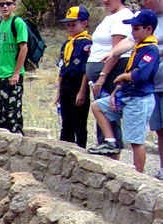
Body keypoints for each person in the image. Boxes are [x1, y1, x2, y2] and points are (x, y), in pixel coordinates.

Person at [88, 9, 160, 173]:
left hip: (139, 98)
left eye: (136, 29)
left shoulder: (150, 49)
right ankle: (110, 141)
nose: (132, 33)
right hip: (127, 94)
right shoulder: (138, 47)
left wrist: (123, 76)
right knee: (98, 107)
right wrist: (118, 88)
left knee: (136, 141)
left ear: (148, 29)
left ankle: (138, 174)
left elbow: (142, 75)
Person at [87, 0, 134, 148]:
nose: (105, 1)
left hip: (110, 72)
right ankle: (104, 147)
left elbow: (117, 51)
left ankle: (113, 152)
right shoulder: (110, 16)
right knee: (101, 114)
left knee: (109, 112)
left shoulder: (123, 16)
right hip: (98, 70)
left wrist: (102, 75)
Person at [54, 6, 92, 147]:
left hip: (78, 85)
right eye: (68, 25)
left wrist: (82, 91)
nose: (70, 28)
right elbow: (62, 68)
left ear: (84, 23)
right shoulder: (66, 44)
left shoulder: (87, 44)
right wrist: (59, 92)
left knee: (79, 124)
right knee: (66, 123)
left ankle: (80, 152)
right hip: (66, 86)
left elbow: (85, 70)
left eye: (73, 24)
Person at [0, 0, 28, 134]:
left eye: (8, 3)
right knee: (0, 115)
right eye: (2, 4)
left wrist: (16, 73)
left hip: (12, 75)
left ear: (14, 5)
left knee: (12, 115)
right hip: (0, 75)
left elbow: (23, 48)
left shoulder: (18, 23)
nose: (5, 6)